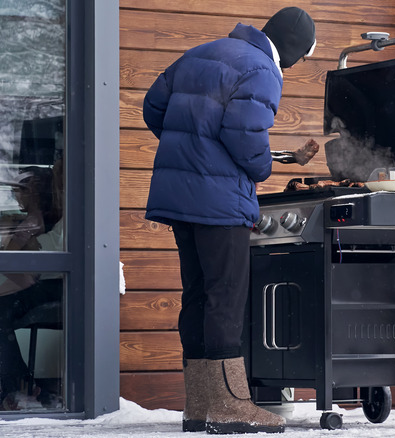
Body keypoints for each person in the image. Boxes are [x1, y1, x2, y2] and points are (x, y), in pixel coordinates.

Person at [142, 7, 316, 435]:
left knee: (198, 294)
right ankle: (231, 405)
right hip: (220, 201)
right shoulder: (261, 68)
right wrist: (260, 169)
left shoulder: (202, 53)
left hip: (180, 195)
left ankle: (199, 406)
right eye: (304, 56)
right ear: (292, 49)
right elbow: (245, 134)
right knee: (226, 295)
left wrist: (193, 146)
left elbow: (153, 108)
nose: (299, 65)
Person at [0, 166, 63, 410]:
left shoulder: (33, 223)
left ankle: (17, 384)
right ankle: (18, 382)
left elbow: (20, 268)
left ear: (35, 193)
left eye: (21, 191)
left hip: (47, 285)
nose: (16, 197)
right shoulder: (34, 221)